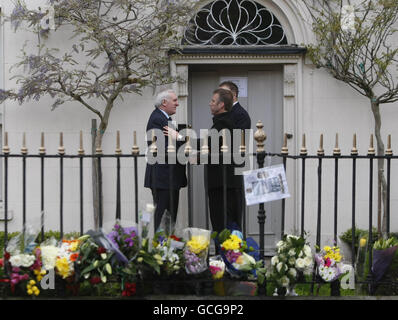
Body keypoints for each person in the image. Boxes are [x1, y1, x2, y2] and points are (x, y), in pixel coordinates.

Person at [144, 89, 187, 232]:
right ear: (164, 102)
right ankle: (160, 248)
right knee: (163, 218)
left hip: (168, 177)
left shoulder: (164, 119)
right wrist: (180, 138)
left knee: (168, 218)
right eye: (174, 100)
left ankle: (167, 247)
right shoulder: (158, 119)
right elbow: (167, 149)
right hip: (163, 177)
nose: (177, 104)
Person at [206, 88, 242, 233]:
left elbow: (206, 145)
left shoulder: (224, 124)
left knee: (222, 227)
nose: (210, 104)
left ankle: (225, 255)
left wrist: (180, 137)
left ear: (221, 105)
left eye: (213, 101)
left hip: (223, 186)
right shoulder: (222, 122)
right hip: (223, 185)